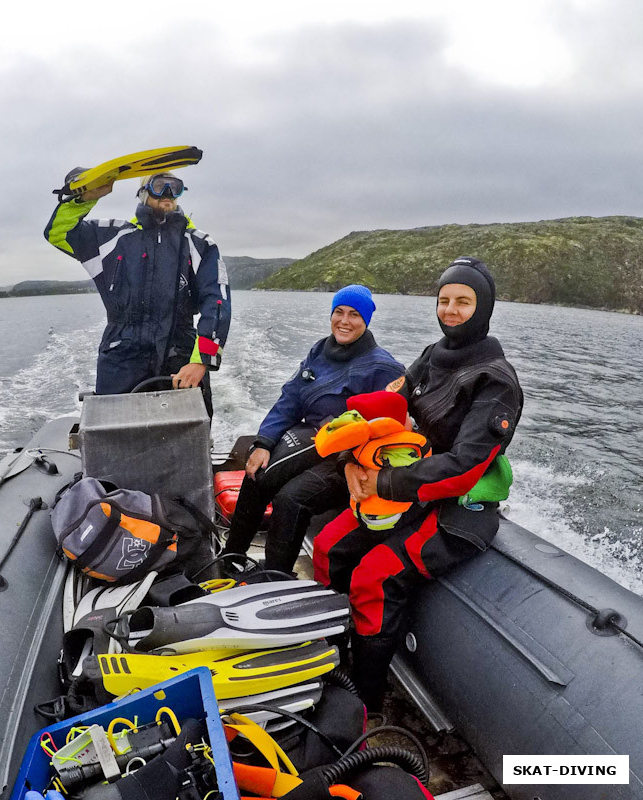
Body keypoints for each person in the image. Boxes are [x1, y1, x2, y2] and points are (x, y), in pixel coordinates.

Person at [313, 257, 523, 712]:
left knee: (374, 577)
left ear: (483, 307)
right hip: (404, 490)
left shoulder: (496, 381)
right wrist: (351, 461)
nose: (450, 309)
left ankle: (365, 701)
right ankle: (328, 659)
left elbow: (464, 467)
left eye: (463, 302)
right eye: (444, 300)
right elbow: (388, 406)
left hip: (455, 509)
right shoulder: (433, 354)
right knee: (329, 546)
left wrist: (383, 482)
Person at [222, 285, 404, 574]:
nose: (344, 321)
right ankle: (231, 555)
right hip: (311, 439)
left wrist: (355, 463)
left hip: (349, 458)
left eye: (354, 315)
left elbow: (391, 430)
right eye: (339, 312)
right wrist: (265, 441)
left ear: (366, 321)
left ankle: (275, 576)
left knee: (290, 498)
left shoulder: (384, 368)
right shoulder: (320, 350)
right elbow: (290, 398)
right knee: (257, 470)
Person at [44, 170, 230, 416]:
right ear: (143, 193)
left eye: (175, 187)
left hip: (180, 355)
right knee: (113, 434)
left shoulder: (200, 244)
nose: (168, 194)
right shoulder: (110, 237)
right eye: (159, 186)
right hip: (121, 354)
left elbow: (216, 302)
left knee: (188, 436)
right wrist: (84, 198)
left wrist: (200, 361)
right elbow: (58, 233)